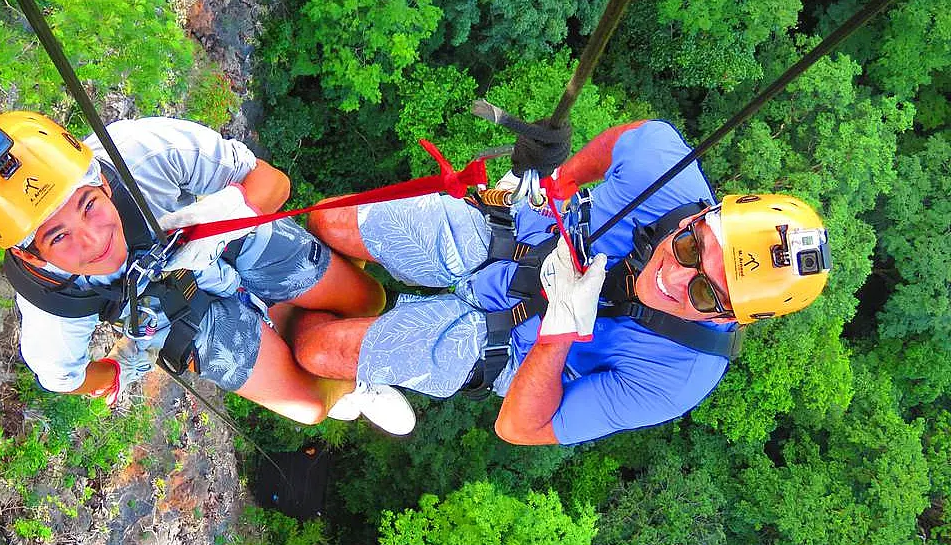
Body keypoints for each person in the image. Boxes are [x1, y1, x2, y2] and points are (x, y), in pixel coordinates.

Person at [295, 119, 832, 445]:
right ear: (702, 215)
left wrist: (559, 332)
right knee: (326, 222)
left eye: (704, 292)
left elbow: (519, 428)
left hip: (508, 345)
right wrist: (558, 178)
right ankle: (363, 301)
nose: (674, 273)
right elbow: (629, 140)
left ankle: (354, 380)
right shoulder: (665, 169)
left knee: (317, 352)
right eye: (694, 247)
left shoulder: (678, 378)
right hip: (516, 233)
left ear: (732, 318)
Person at [0, 111, 416, 434]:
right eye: (58, 237)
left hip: (220, 235)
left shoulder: (140, 154)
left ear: (97, 177)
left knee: (367, 301)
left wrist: (224, 214)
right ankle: (353, 388)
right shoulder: (53, 303)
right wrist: (118, 370)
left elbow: (272, 183)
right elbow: (64, 377)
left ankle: (325, 333)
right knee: (310, 406)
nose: (93, 241)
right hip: (174, 308)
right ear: (30, 256)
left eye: (89, 205)